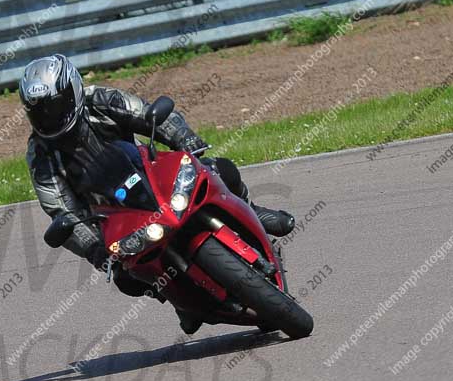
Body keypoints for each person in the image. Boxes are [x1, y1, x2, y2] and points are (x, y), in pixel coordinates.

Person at [21, 54, 295, 334]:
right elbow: (60, 209)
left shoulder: (100, 100)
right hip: (112, 216)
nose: (49, 116)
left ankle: (250, 207)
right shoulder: (39, 155)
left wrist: (186, 140)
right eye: (40, 111)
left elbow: (148, 114)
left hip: (149, 174)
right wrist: (95, 250)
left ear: (73, 91)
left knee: (221, 168)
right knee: (126, 280)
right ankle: (178, 299)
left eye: (54, 106)